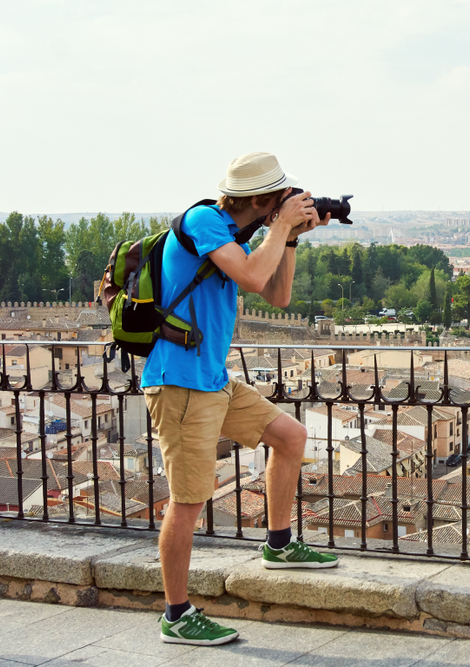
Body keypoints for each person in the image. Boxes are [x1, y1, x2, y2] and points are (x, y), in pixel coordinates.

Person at [142, 152, 338, 646]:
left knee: (290, 436)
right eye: (284, 198)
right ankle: (177, 615)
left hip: (211, 378)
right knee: (188, 502)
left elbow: (278, 297)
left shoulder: (239, 234)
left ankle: (278, 544)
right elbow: (251, 277)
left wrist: (289, 237)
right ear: (262, 199)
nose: (291, 203)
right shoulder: (204, 220)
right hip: (180, 382)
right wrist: (280, 228)